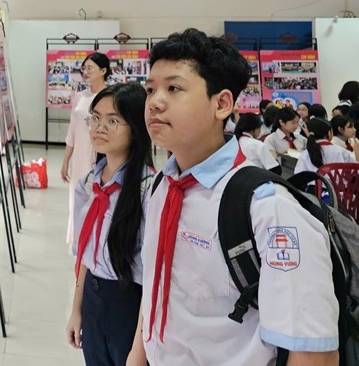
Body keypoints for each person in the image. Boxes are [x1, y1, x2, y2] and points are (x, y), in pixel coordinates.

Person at [128, 28, 338, 366]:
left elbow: (313, 352)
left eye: (173, 88)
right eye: (150, 89)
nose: (154, 101)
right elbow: (156, 289)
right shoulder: (161, 187)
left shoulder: (268, 208)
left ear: (222, 103)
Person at [65, 83, 154, 365]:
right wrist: (76, 309)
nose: (99, 128)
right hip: (93, 297)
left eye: (113, 120)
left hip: (129, 303)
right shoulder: (87, 185)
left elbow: (153, 278)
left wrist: (140, 345)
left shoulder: (149, 191)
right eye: (96, 118)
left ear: (137, 128)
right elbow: (86, 257)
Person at [62, 52, 111, 248]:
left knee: (96, 198)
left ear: (103, 70)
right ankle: (78, 242)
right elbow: (72, 131)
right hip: (79, 158)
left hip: (99, 156)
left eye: (90, 68)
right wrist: (66, 160)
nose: (86, 72)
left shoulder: (109, 96)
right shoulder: (80, 97)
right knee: (77, 198)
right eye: (84, 68)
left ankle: (95, 242)